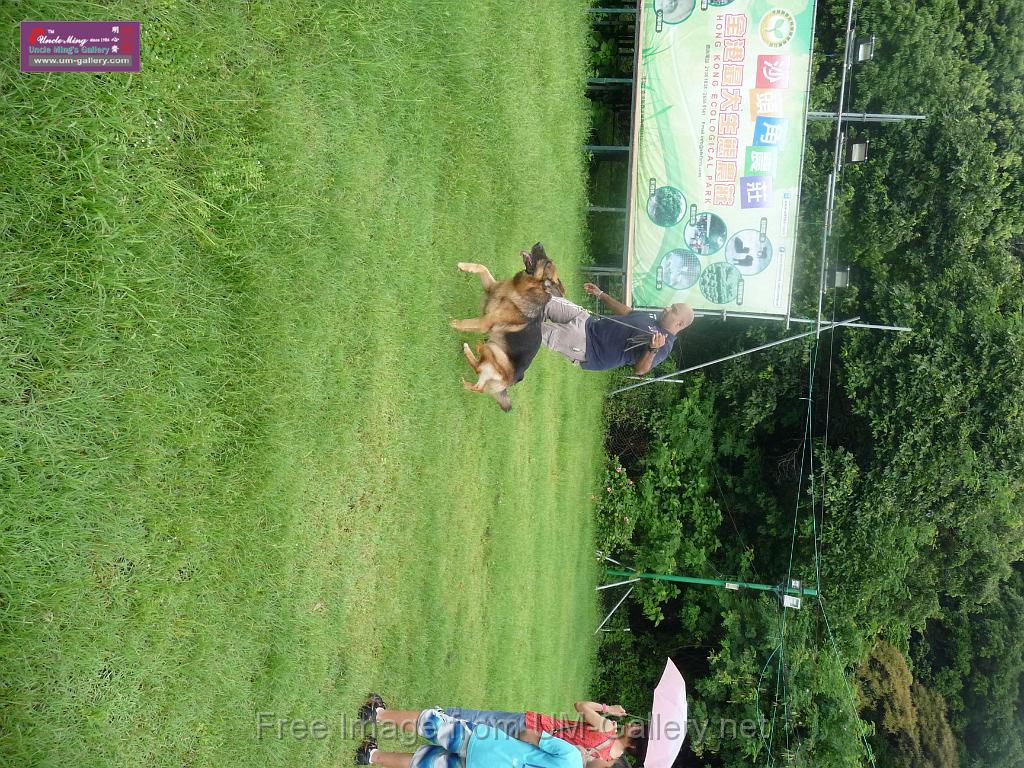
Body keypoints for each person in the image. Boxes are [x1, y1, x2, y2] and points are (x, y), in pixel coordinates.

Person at [353, 705, 611, 768]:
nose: (604, 758)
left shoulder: (571, 755)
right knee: (426, 763)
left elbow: (527, 735)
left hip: (487, 744)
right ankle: (371, 756)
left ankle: (377, 714)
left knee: (434, 725)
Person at [540, 283, 694, 375]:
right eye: (670, 306)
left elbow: (640, 370)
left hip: (588, 346)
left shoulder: (664, 346)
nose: (667, 308)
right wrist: (601, 294)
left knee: (532, 332)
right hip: (588, 322)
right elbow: (627, 312)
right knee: (542, 300)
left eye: (673, 310)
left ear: (679, 323)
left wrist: (652, 349)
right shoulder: (653, 320)